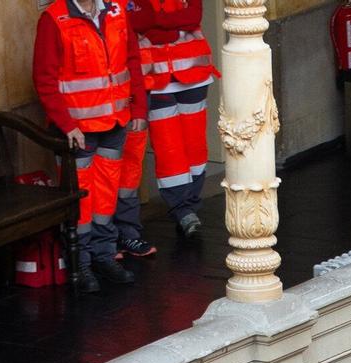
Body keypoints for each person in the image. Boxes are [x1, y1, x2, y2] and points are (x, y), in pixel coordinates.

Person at [34, 0, 147, 291]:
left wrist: (138, 108)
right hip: (78, 130)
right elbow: (44, 79)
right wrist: (66, 125)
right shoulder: (54, 18)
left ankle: (105, 256)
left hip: (116, 121)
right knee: (81, 198)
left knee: (106, 194)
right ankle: (81, 263)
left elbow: (132, 61)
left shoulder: (117, 9)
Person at [125, 0, 218, 241]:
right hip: (155, 79)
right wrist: (175, 26)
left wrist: (157, 22)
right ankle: (182, 210)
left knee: (195, 147)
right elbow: (135, 22)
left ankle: (191, 205)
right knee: (168, 148)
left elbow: (194, 15)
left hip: (194, 75)